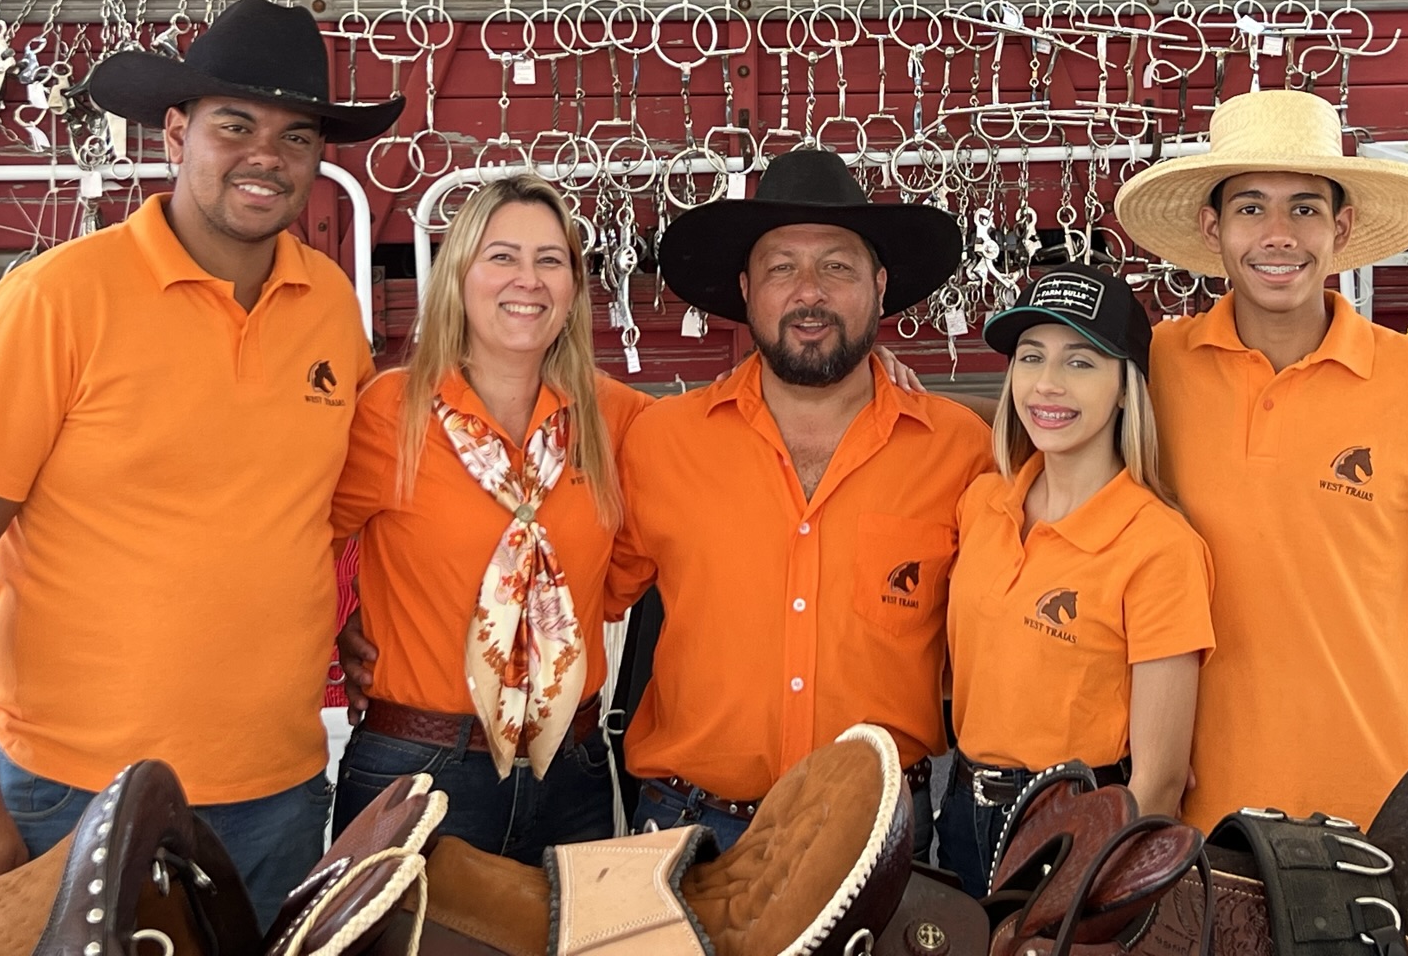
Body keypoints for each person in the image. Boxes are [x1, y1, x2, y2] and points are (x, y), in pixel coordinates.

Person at [0, 0, 402, 927]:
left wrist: (352, 617)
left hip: (281, 784)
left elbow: (311, 504)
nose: (267, 157)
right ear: (177, 133)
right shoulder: (58, 298)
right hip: (77, 790)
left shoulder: (329, 301)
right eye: (235, 126)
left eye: (296, 137)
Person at [1113, 88, 1408, 832]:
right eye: (1251, 207)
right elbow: (1050, 457)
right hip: (1194, 821)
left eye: (1304, 208)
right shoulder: (1152, 366)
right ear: (1213, 227)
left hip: (1380, 817)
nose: (1278, 235)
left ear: (1341, 227)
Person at [607, 149, 991, 853]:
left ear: (879, 286)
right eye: (782, 268)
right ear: (747, 289)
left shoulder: (962, 451)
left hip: (876, 832)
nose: (809, 291)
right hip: (689, 831)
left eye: (837, 267)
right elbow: (574, 594)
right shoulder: (659, 441)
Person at [326, 173, 650, 860]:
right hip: (418, 768)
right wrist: (344, 624)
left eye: (550, 260)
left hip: (572, 771)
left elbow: (627, 568)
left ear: (574, 286)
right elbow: (300, 542)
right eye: (502, 256)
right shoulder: (391, 412)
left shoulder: (618, 419)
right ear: (459, 276)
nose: (527, 280)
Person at [939, 264, 1212, 896]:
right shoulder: (982, 504)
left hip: (1077, 830)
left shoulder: (1160, 545)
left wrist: (1091, 888)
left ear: (1125, 389)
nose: (1047, 384)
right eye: (1031, 357)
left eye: (1081, 362)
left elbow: (1160, 782)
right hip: (959, 813)